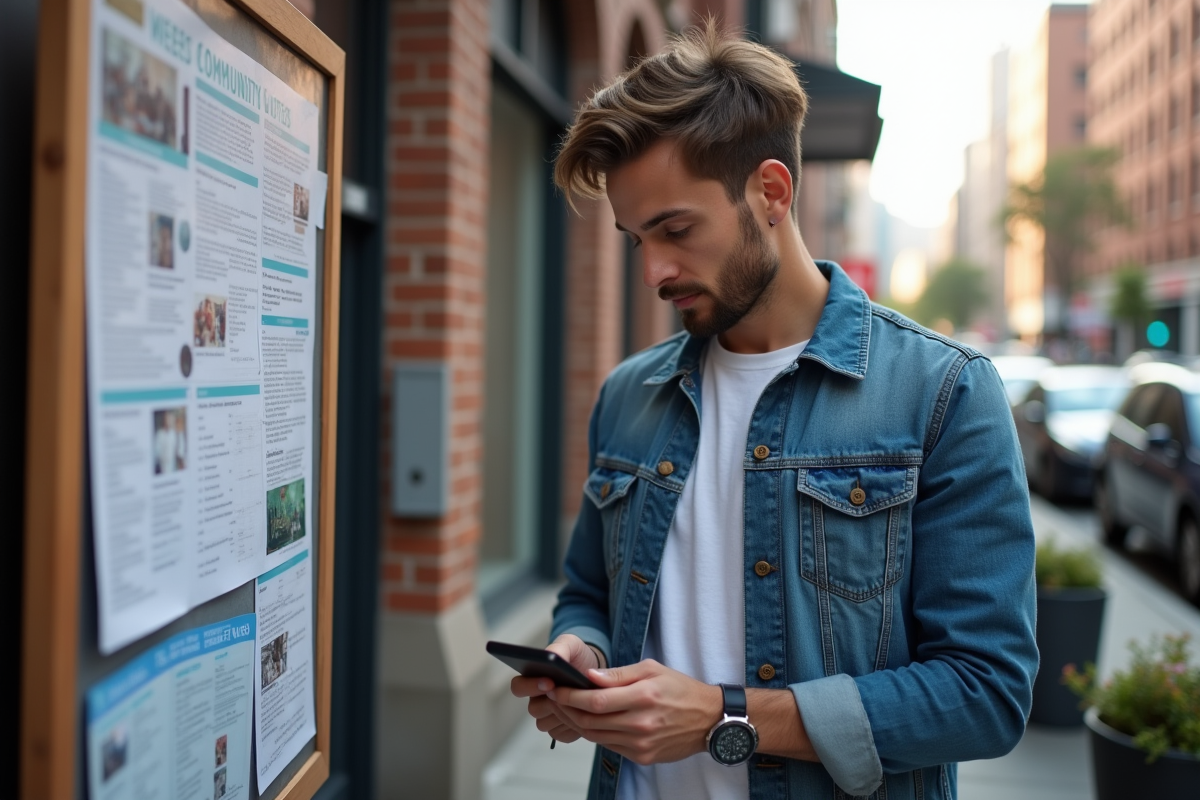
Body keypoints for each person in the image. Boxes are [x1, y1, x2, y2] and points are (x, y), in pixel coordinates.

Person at [509, 21, 1037, 800]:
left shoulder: (943, 393)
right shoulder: (628, 394)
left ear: (772, 192)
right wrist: (579, 651)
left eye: (676, 229)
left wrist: (725, 716)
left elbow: (986, 693)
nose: (654, 271)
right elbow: (588, 590)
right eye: (636, 240)